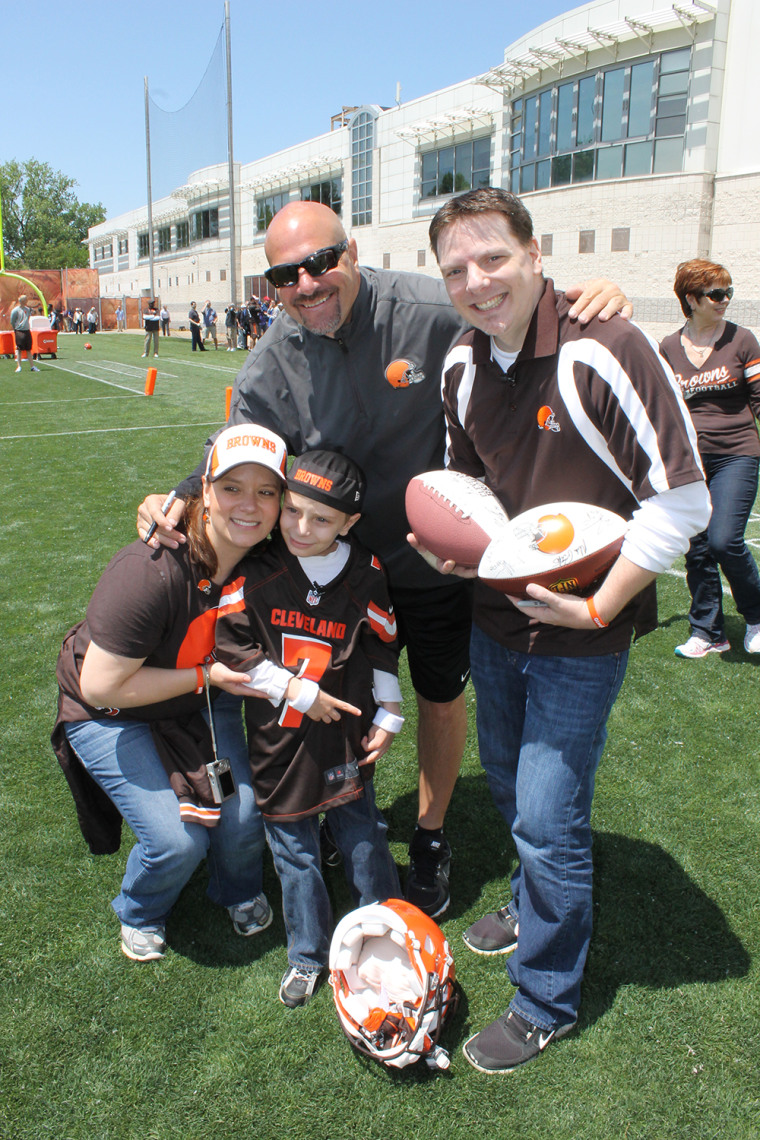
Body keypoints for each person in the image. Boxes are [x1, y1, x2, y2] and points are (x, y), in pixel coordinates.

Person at [136, 200, 631, 919]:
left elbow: (515, 306)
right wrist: (181, 494)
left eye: (320, 262)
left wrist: (589, 302)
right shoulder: (272, 358)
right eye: (285, 274)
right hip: (333, 573)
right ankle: (335, 809)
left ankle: (430, 837)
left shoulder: (431, 306)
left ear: (352, 251)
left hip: (439, 565)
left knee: (436, 695)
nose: (307, 283)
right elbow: (242, 445)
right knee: (339, 692)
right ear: (271, 284)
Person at [419, 187, 711, 1074]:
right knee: (508, 783)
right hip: (497, 620)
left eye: (494, 258)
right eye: (457, 269)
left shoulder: (605, 347)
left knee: (550, 816)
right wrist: (454, 547)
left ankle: (547, 998)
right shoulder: (462, 364)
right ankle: (528, 898)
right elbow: (460, 487)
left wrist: (597, 605)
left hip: (585, 630)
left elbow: (685, 500)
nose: (477, 281)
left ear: (534, 253)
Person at [52, 425, 290, 961]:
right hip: (110, 712)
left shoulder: (266, 560)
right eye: (232, 487)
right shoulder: (150, 568)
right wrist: (203, 678)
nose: (249, 505)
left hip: (201, 701)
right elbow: (101, 684)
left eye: (266, 491)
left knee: (244, 813)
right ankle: (140, 909)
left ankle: (237, 889)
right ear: (202, 492)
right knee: (177, 841)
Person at [212, 448, 402, 1007]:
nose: (300, 527)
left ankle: (386, 928)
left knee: (362, 833)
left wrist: (390, 709)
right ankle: (306, 953)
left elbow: (381, 642)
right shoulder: (257, 571)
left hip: (342, 730)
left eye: (321, 519)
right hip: (278, 733)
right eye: (292, 511)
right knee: (294, 848)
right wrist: (295, 689)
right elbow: (233, 648)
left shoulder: (366, 572)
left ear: (350, 523)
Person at [659, 260, 760, 658]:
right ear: (691, 299)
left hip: (736, 453)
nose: (725, 300)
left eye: (728, 292)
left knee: (724, 539)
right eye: (716, 294)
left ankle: (756, 617)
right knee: (696, 547)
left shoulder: (743, 340)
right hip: (688, 461)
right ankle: (708, 631)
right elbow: (663, 406)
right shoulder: (668, 346)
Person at [10, 294, 40, 373]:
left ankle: (32, 366)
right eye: (25, 300)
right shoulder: (15, 310)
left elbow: (33, 312)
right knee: (19, 349)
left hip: (27, 330)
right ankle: (19, 366)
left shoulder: (27, 309)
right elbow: (12, 321)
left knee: (28, 349)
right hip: (19, 331)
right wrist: (16, 328)